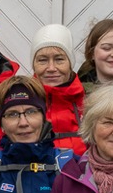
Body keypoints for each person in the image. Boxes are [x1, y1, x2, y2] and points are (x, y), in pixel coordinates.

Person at [29, 24, 89, 152]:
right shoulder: (17, 102)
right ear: (33, 65)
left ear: (70, 64)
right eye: (43, 60)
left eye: (59, 59)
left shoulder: (90, 102)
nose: (51, 68)